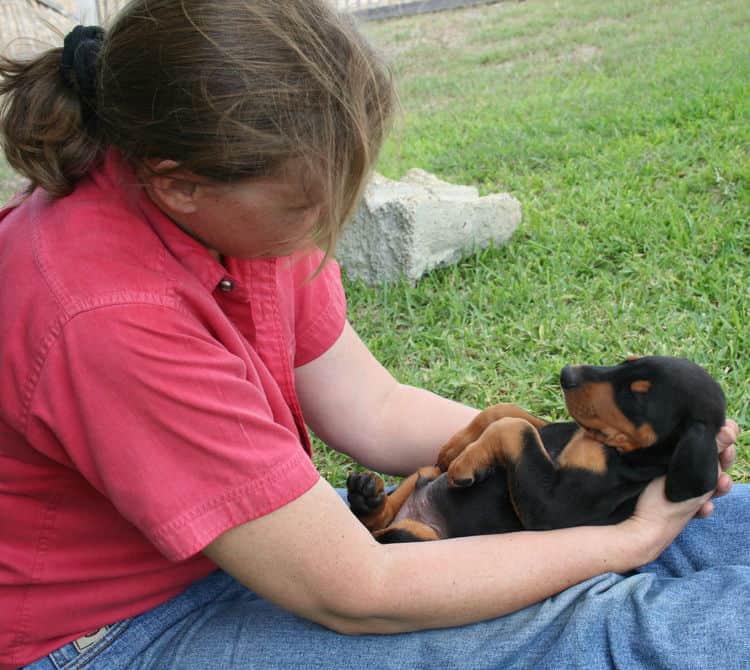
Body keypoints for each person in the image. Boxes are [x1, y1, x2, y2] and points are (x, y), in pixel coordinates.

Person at [0, 2, 746, 669]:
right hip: (117, 631)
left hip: (247, 541)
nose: (328, 228)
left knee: (718, 525)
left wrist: (603, 470)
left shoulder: (229, 215)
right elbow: (358, 590)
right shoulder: (104, 314)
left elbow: (374, 407)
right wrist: (627, 543)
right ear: (178, 182)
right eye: (308, 206)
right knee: (610, 626)